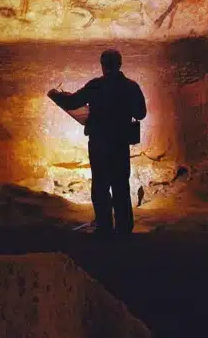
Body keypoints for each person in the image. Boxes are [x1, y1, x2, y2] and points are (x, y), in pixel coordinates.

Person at [48, 49, 146, 237]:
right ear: (120, 64)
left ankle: (104, 227)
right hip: (120, 144)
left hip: (99, 143)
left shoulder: (95, 86)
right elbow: (141, 113)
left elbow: (72, 102)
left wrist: (55, 95)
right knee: (121, 186)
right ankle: (124, 229)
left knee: (100, 186)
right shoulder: (131, 86)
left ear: (103, 65)